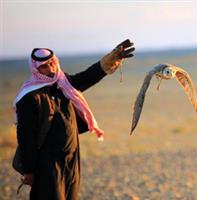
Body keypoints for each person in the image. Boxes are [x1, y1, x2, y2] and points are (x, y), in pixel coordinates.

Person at [12, 39, 134, 200]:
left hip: (71, 157)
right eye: (44, 66)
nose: (50, 69)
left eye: (52, 63)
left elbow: (87, 77)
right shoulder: (29, 97)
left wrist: (109, 61)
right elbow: (25, 136)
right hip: (47, 163)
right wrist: (28, 170)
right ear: (35, 69)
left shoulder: (64, 83)